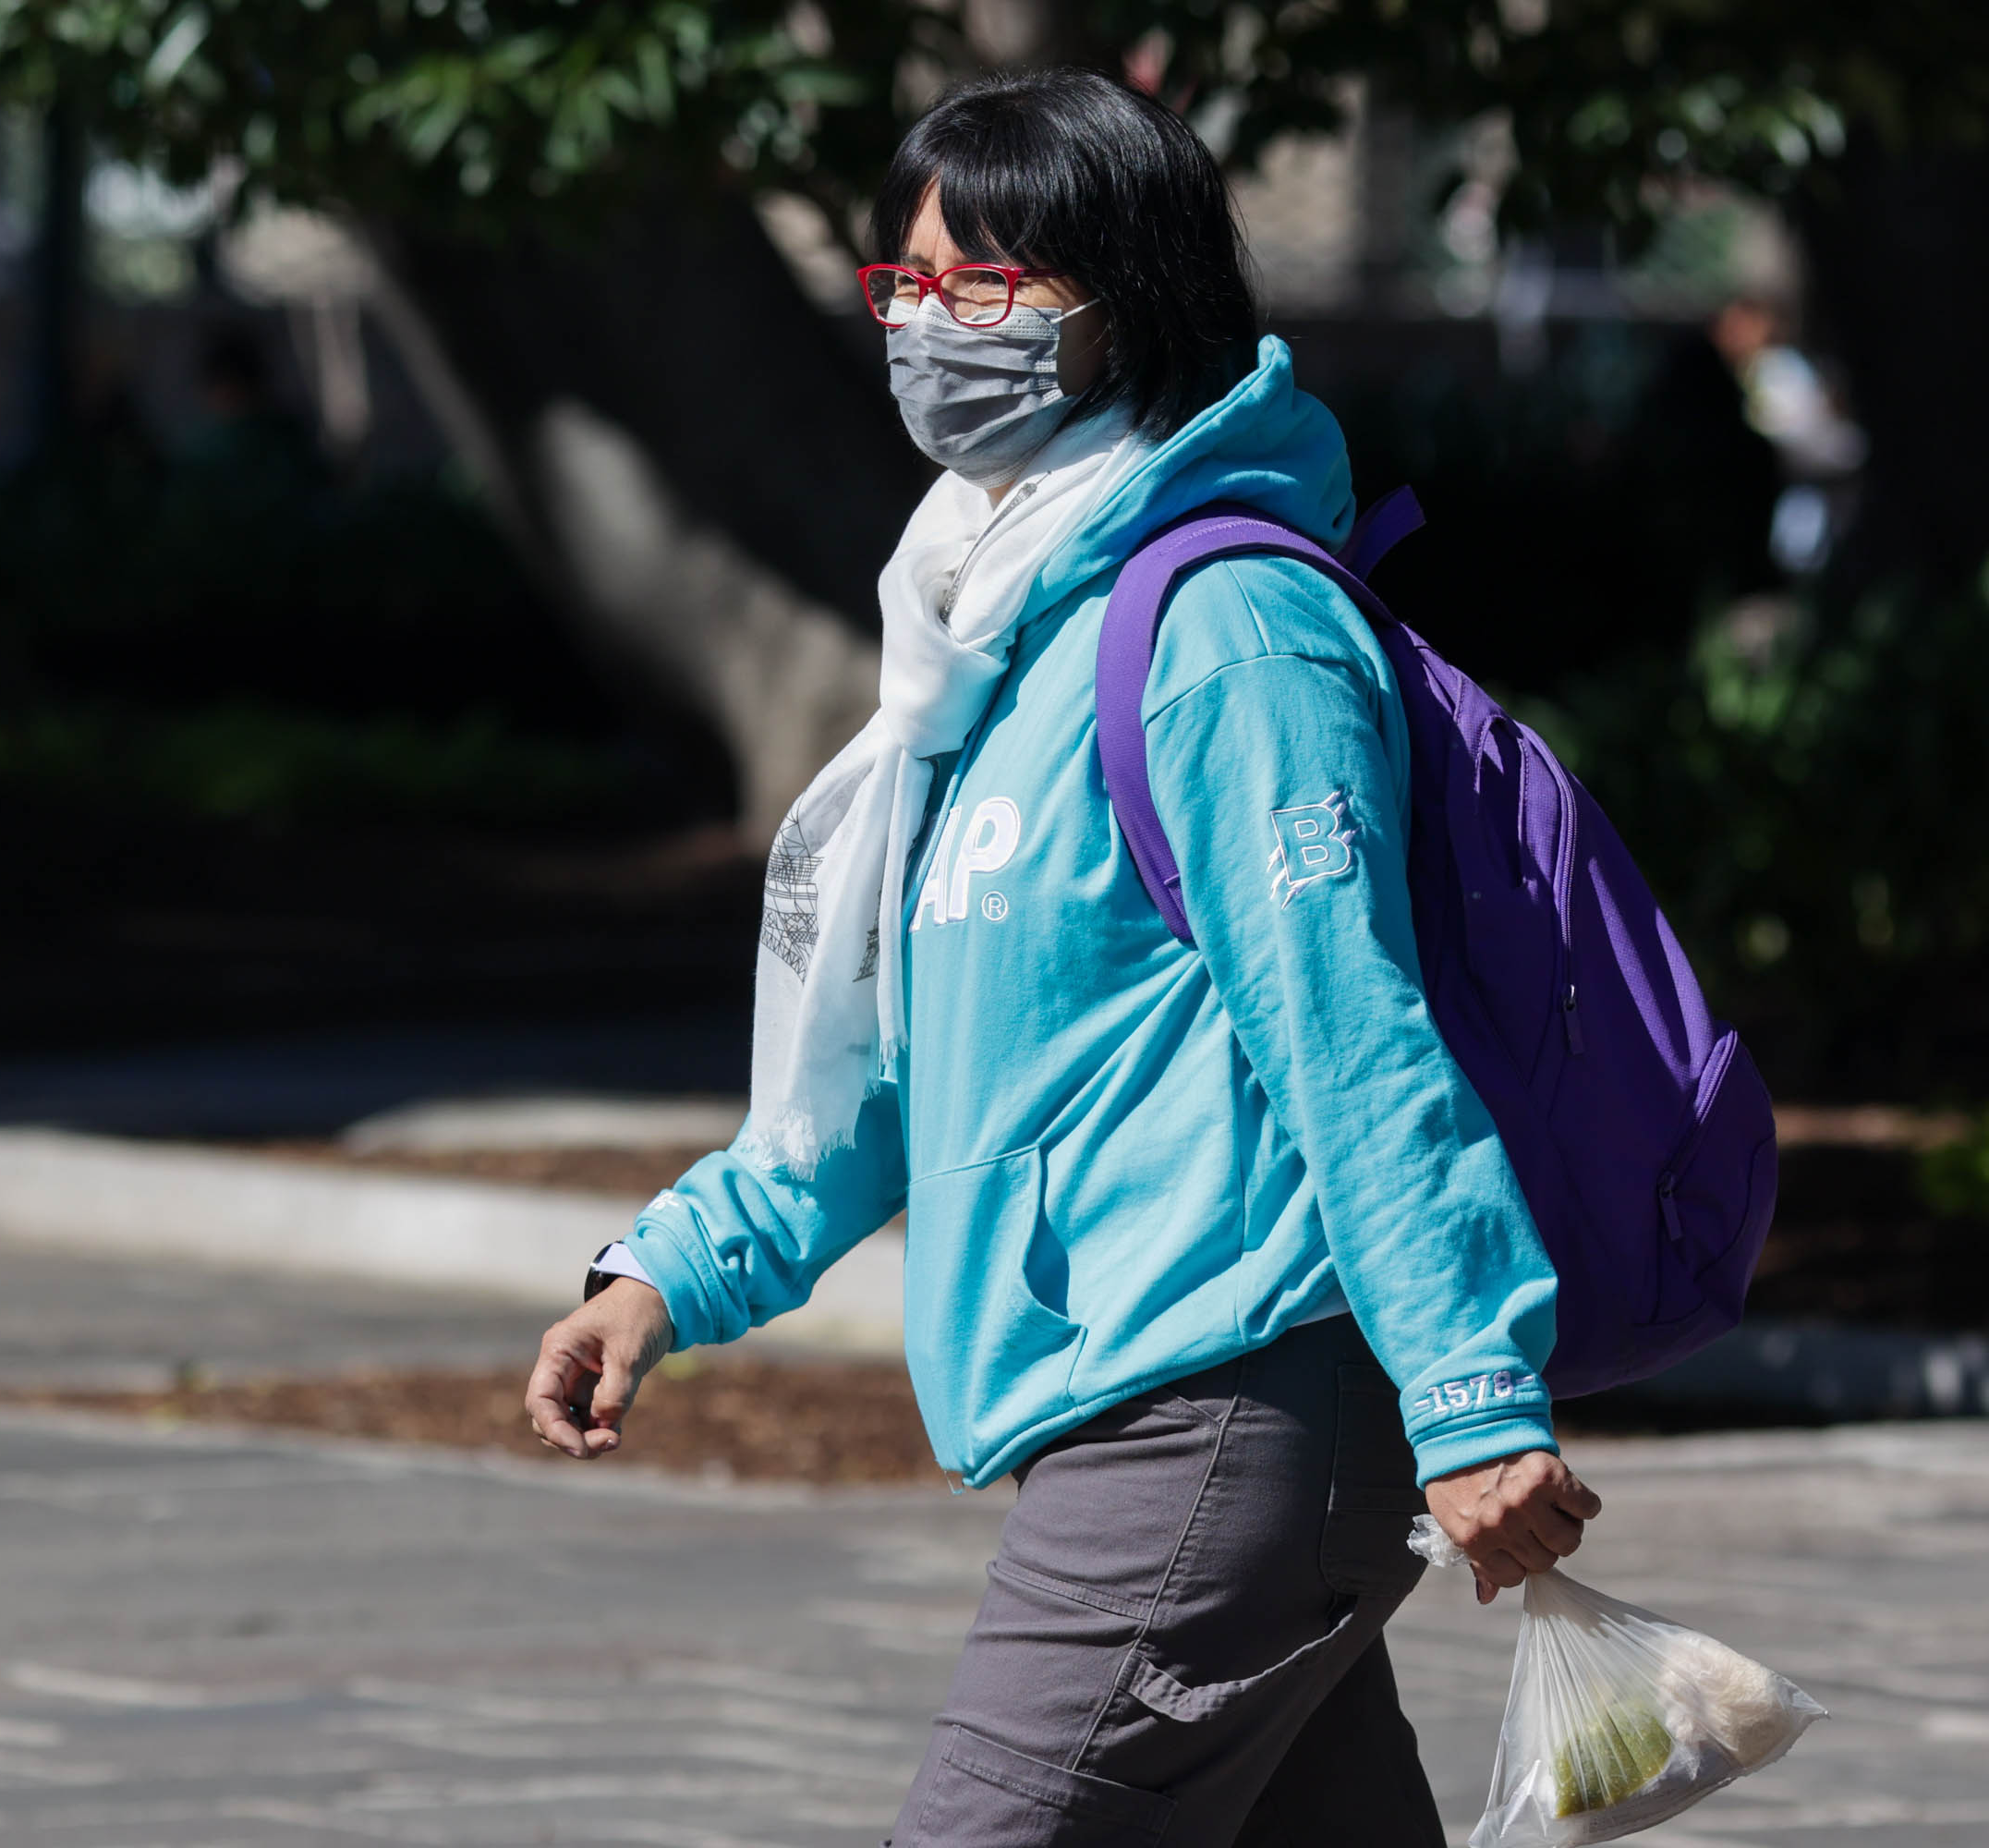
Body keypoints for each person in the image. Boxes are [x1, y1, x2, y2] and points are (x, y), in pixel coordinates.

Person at [520, 67, 1602, 1847]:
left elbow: (1353, 1032)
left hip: (1223, 1397)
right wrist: (665, 1280)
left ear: (1134, 300)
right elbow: (889, 1069)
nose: (935, 327)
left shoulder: (1232, 629)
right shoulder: (977, 641)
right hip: (1145, 1405)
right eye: (910, 284)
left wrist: (1474, 1393)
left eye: (995, 284)